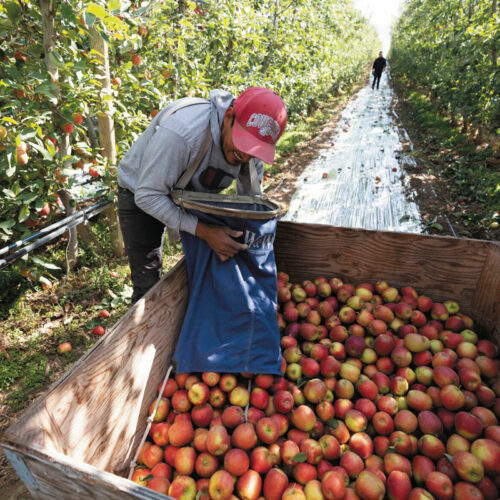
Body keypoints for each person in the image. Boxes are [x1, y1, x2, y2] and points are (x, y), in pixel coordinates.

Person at [117, 87, 287, 303]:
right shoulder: (183, 134)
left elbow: (250, 204)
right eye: (242, 145)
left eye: (254, 150)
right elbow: (148, 195)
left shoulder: (248, 153)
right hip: (141, 190)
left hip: (189, 191)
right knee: (148, 284)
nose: (245, 157)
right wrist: (203, 231)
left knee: (206, 268)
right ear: (228, 117)